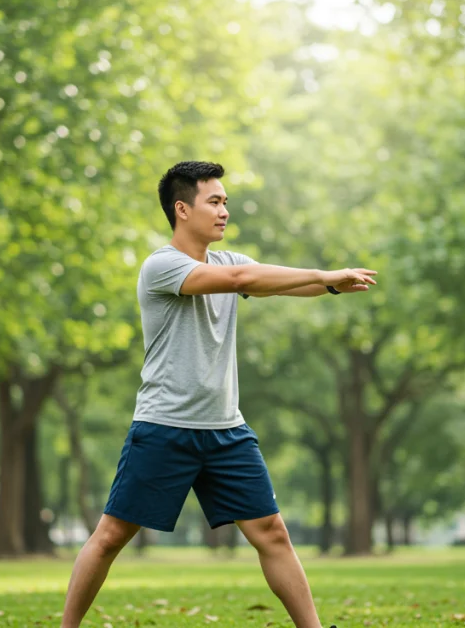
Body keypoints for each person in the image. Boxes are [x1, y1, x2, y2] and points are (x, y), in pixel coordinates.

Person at [60, 161, 376, 628]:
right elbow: (243, 283)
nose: (225, 210)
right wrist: (326, 273)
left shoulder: (228, 261)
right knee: (110, 536)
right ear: (182, 209)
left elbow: (271, 282)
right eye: (215, 201)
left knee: (272, 533)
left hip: (226, 429)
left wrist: (328, 284)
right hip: (165, 426)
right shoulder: (162, 266)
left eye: (225, 201)